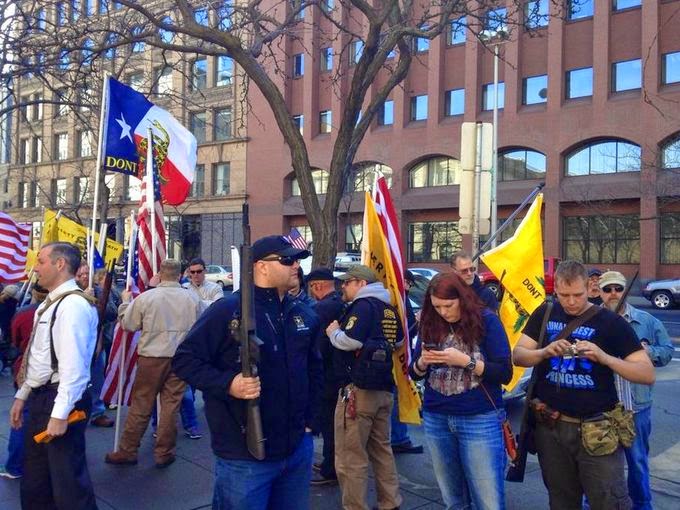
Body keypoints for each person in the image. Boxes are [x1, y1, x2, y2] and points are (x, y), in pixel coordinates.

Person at [172, 235, 321, 510]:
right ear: (261, 266)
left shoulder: (303, 312)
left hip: (297, 448)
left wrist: (311, 420)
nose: (295, 267)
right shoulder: (228, 310)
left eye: (297, 261)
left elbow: (314, 368)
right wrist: (229, 383)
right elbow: (184, 360)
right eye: (287, 260)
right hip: (244, 455)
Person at [513, 260, 655, 510]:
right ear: (554, 289)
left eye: (577, 295)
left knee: (608, 501)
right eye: (563, 295)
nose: (570, 301)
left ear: (590, 288)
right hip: (551, 427)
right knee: (561, 501)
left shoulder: (610, 322)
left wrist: (604, 357)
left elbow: (646, 373)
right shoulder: (545, 312)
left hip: (597, 431)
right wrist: (545, 351)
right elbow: (519, 355)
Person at [409, 272, 512, 510]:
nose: (443, 312)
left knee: (488, 501)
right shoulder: (429, 322)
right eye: (437, 306)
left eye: (448, 305)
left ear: (462, 299)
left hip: (479, 416)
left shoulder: (486, 320)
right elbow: (414, 373)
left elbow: (505, 373)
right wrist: (423, 362)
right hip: (437, 415)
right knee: (453, 499)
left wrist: (466, 362)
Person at [9, 242, 99, 510]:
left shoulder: (71, 306)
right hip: (43, 397)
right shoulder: (51, 303)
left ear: (60, 264)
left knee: (68, 485)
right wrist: (22, 395)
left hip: (59, 400)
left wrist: (60, 414)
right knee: (37, 482)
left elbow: (74, 368)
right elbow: (38, 358)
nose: (35, 267)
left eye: (41, 261)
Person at [105, 259, 199, 468]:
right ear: (180, 275)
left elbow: (128, 324)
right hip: (180, 357)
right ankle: (164, 452)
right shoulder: (191, 298)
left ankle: (128, 450)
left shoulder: (147, 298)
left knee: (142, 403)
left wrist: (124, 304)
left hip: (152, 357)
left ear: (160, 274)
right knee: (170, 406)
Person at [326, 264, 403, 510]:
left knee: (351, 458)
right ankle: (390, 503)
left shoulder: (362, 307)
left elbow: (349, 341)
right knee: (382, 452)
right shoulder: (389, 308)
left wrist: (333, 332)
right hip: (383, 389)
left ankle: (355, 506)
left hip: (357, 392)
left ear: (361, 283)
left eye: (347, 283)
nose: (342, 287)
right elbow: (400, 340)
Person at [599, 271, 673, 510]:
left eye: (618, 289)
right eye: (607, 289)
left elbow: (667, 351)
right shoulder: (591, 320)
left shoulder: (647, 321)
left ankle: (641, 505)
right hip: (600, 407)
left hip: (636, 407)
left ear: (625, 291)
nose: (613, 294)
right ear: (599, 291)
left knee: (637, 461)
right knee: (598, 463)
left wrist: (646, 353)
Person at [0, 283, 48, 480]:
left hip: (28, 369)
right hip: (51, 374)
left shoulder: (24, 313)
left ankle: (15, 465)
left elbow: (15, 338)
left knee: (21, 416)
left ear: (35, 293)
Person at [179, 257, 225, 439]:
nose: (196, 275)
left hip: (210, 340)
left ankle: (214, 414)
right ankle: (190, 425)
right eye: (192, 272)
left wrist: (195, 304)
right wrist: (203, 305)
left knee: (209, 380)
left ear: (205, 271)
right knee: (187, 386)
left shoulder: (215, 288)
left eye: (199, 271)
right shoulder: (184, 289)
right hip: (188, 339)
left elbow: (218, 310)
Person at [306, 267, 344, 486]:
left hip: (328, 374)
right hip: (338, 372)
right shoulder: (339, 304)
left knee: (330, 424)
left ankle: (331, 468)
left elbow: (318, 345)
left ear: (317, 286)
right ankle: (331, 463)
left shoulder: (322, 308)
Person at [75, 262, 116, 428]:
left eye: (87, 274)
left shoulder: (99, 291)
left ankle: (97, 412)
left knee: (97, 379)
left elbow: (112, 312)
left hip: (98, 342)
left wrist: (96, 302)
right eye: (80, 274)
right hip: (77, 345)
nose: (84, 277)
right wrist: (83, 299)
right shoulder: (71, 294)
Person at [390, 270, 423, 455]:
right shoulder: (398, 299)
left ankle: (398, 436)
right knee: (395, 397)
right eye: (408, 283)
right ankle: (398, 438)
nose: (409, 287)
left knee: (396, 397)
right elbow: (403, 329)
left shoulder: (403, 298)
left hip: (400, 355)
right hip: (395, 356)